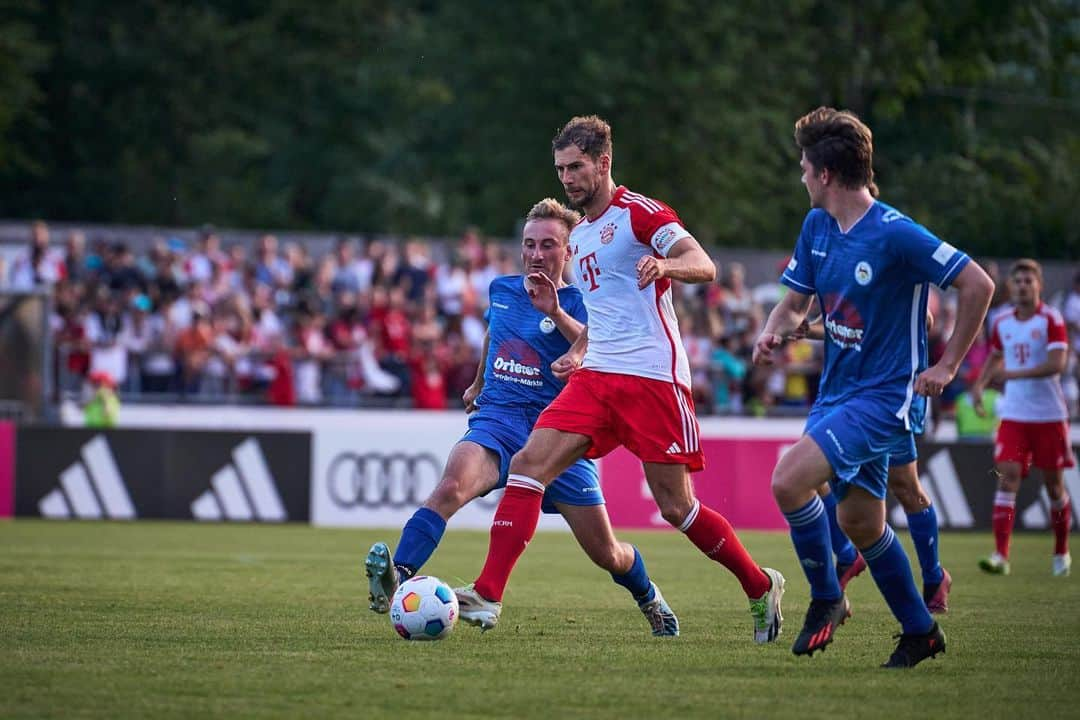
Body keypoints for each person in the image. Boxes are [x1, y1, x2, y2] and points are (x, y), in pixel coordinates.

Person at [452, 115, 785, 643]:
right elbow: (605, 314)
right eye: (561, 169)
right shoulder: (579, 235)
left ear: (604, 163)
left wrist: (667, 267)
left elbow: (704, 263)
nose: (567, 178)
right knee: (528, 463)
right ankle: (489, 595)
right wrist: (579, 351)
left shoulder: (639, 214)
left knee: (677, 507)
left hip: (653, 380)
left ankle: (759, 584)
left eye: (576, 167)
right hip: (598, 377)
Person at [365, 197, 681, 637]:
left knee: (608, 553)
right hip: (499, 419)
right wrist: (478, 383)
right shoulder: (502, 289)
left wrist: (555, 312)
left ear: (570, 251)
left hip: (559, 433)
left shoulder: (590, 300)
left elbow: (595, 348)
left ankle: (649, 596)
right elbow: (496, 332)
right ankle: (397, 576)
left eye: (549, 245)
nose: (537, 254)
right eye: (530, 244)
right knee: (451, 487)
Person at [755, 107, 993, 668]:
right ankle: (920, 630)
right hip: (836, 393)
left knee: (788, 482)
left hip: (884, 400)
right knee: (860, 522)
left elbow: (977, 283)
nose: (801, 175)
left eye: (804, 166)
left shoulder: (895, 234)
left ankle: (825, 599)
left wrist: (948, 365)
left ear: (826, 175)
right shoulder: (817, 226)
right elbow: (795, 302)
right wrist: (774, 330)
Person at [791, 310, 952, 613]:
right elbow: (846, 329)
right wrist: (807, 329)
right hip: (847, 391)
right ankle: (847, 554)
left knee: (904, 486)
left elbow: (926, 319)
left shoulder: (887, 268)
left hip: (892, 391)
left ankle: (934, 577)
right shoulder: (838, 273)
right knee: (809, 473)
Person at [971, 259, 1074, 577]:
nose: (1023, 286)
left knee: (1054, 487)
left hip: (1048, 415)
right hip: (1014, 413)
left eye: (1029, 281)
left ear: (1039, 285)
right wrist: (980, 385)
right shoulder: (1001, 321)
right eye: (1018, 281)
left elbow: (1057, 364)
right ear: (1011, 286)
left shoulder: (1051, 319)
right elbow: (996, 356)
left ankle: (1061, 551)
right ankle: (1001, 555)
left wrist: (1013, 374)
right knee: (1008, 475)